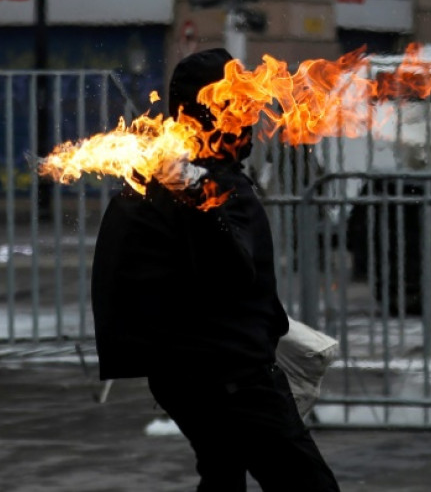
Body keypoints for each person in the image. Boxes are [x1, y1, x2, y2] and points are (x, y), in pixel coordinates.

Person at [91, 48, 341, 492]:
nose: (251, 117)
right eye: (241, 103)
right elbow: (229, 272)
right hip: (229, 374)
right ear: (217, 111)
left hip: (190, 372)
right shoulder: (200, 185)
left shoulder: (165, 175)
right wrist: (199, 198)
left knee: (222, 476)